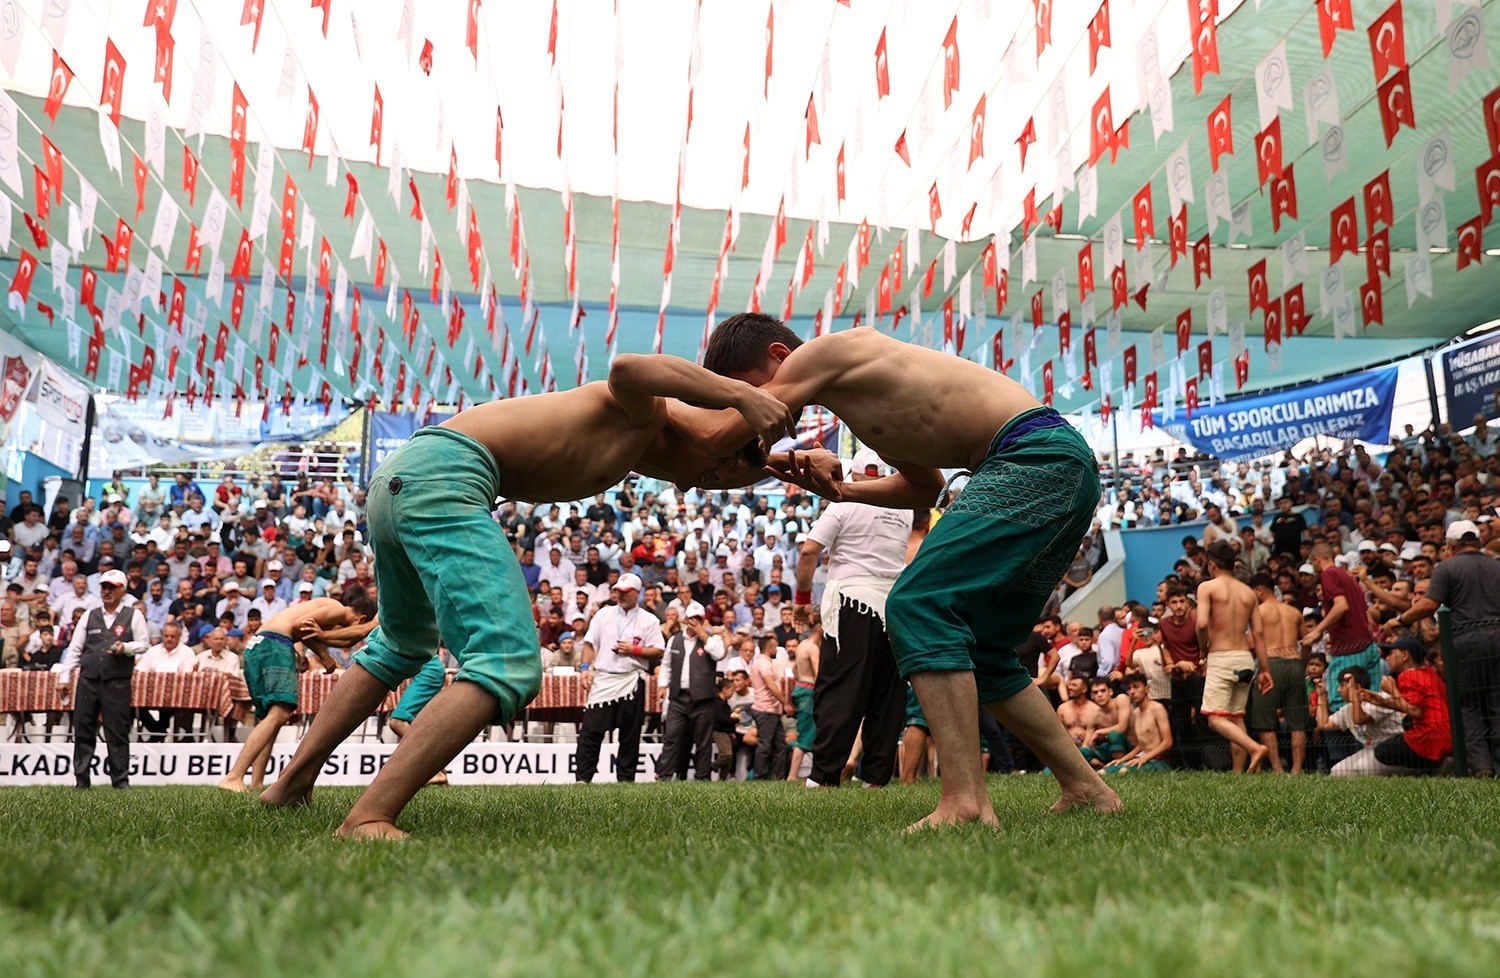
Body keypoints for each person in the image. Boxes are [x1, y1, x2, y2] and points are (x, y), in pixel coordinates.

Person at [258, 356, 791, 835]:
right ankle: (369, 816)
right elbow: (628, 367)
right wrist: (741, 394)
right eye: (719, 462)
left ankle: (288, 786)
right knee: (507, 661)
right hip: (444, 480)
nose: (709, 481)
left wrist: (789, 468)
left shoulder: (635, 445)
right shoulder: (645, 413)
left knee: (400, 643)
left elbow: (717, 463)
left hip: (402, 479)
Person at [695, 315, 1119, 827]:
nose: (749, 406)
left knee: (917, 602)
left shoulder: (830, 350)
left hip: (1033, 457)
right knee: (983, 651)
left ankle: (964, 802)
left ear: (781, 357)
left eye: (746, 391)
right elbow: (925, 489)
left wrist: (676, 413)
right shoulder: (864, 409)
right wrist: (840, 490)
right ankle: (1087, 788)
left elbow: (720, 436)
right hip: (1050, 466)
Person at [793, 449, 912, 789]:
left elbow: (809, 551)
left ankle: (824, 775)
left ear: (855, 475)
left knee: (841, 688)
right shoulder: (903, 508)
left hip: (853, 601)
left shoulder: (843, 503)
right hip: (893, 605)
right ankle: (875, 777)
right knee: (887, 693)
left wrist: (801, 601)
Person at [218, 597, 377, 793]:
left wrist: (324, 652)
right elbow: (299, 626)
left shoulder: (325, 607)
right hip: (275, 645)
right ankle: (234, 776)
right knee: (280, 713)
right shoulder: (336, 608)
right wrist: (324, 656)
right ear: (360, 619)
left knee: (271, 716)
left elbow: (321, 634)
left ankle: (257, 781)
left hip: (260, 645)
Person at [1388, 520, 1500, 776]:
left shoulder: (1447, 567)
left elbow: (1429, 604)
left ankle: (1481, 767)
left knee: (1468, 703)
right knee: (1497, 702)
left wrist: (1400, 620)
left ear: (1450, 545)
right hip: (1497, 638)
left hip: (1465, 642)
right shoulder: (1496, 565)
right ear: (1476, 540)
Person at [55, 570, 150, 790]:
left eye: (112, 587)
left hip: (117, 681)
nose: (107, 591)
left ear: (122, 590)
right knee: (83, 729)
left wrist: (126, 648)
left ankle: (120, 781)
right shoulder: (89, 615)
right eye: (104, 586)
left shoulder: (133, 615)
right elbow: (75, 649)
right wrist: (64, 677)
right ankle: (81, 781)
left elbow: (144, 644)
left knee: (117, 731)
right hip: (88, 679)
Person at [576, 573, 667, 783]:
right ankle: (582, 778)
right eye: (618, 591)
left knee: (629, 734)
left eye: (625, 592)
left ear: (637, 593)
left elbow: (659, 650)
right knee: (590, 730)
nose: (621, 595)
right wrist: (584, 668)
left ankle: (625, 780)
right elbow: (589, 644)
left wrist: (634, 650)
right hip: (604, 678)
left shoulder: (649, 620)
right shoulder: (603, 615)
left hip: (631, 679)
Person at [1195, 541, 1272, 772]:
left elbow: (1201, 624)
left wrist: (1202, 650)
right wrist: (1265, 669)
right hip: (1245, 658)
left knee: (1215, 719)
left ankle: (1255, 748)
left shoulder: (1207, 587)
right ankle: (1240, 774)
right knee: (1236, 717)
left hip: (1221, 657)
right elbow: (1258, 634)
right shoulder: (1248, 592)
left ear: (1212, 564)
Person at [1302, 542, 1381, 712]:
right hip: (1368, 647)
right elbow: (1368, 619)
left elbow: (1341, 605)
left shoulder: (1328, 574)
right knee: (1371, 701)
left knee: (1342, 706)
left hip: (1348, 650)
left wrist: (1317, 630)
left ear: (1317, 560)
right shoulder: (1348, 578)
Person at [1246, 572, 1312, 774]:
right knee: (1298, 723)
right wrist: (1303, 664)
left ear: (1259, 590)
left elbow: (1252, 643)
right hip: (1295, 663)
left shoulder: (1258, 612)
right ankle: (1297, 770)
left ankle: (1277, 769)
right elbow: (1307, 642)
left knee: (1264, 722)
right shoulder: (1294, 612)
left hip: (1271, 664)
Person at [656, 602, 726, 780]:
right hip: (678, 698)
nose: (695, 622)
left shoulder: (712, 639)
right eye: (692, 618)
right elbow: (666, 665)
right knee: (671, 737)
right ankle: (665, 776)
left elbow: (719, 654)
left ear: (703, 620)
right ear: (686, 620)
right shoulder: (675, 640)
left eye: (698, 619)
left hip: (703, 700)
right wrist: (663, 685)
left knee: (703, 742)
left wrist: (703, 634)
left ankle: (702, 778)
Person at [1362, 638, 1452, 773]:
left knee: (1382, 751)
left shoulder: (1407, 676)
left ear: (1405, 655)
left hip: (1430, 737)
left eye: (1391, 653)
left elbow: (1415, 711)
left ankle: (1435, 766)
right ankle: (1433, 767)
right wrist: (1383, 702)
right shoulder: (1428, 672)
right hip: (1447, 734)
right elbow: (1414, 705)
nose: (1387, 658)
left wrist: (1392, 690)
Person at [1313, 665, 1406, 776]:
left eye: (1342, 685)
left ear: (1357, 687)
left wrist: (1354, 694)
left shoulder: (1379, 699)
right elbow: (1324, 724)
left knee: (1362, 767)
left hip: (1396, 749)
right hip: (1372, 749)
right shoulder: (1348, 709)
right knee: (1337, 771)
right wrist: (1322, 695)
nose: (1338, 690)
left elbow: (1360, 719)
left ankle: (1410, 772)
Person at [1103, 674, 1174, 772]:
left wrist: (1145, 758)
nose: (1132, 692)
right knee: (1104, 771)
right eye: (1129, 688)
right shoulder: (1136, 713)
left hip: (1159, 760)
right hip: (1141, 757)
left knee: (1123, 771)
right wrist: (1122, 760)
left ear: (1146, 689)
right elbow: (1142, 745)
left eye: (1136, 687)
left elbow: (1167, 742)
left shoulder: (1157, 708)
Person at [750, 633, 795, 780]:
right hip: (765, 710)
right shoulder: (764, 663)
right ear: (769, 648)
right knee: (765, 746)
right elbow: (770, 685)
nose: (776, 650)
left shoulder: (764, 662)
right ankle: (759, 778)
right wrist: (785, 702)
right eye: (775, 647)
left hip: (771, 710)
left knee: (780, 746)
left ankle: (777, 777)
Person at [786, 617, 821, 782]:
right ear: (821, 630)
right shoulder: (813, 648)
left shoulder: (801, 645)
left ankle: (796, 774)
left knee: (808, 733)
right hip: (808, 691)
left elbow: (794, 668)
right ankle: (792, 776)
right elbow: (819, 674)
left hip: (800, 689)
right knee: (806, 735)